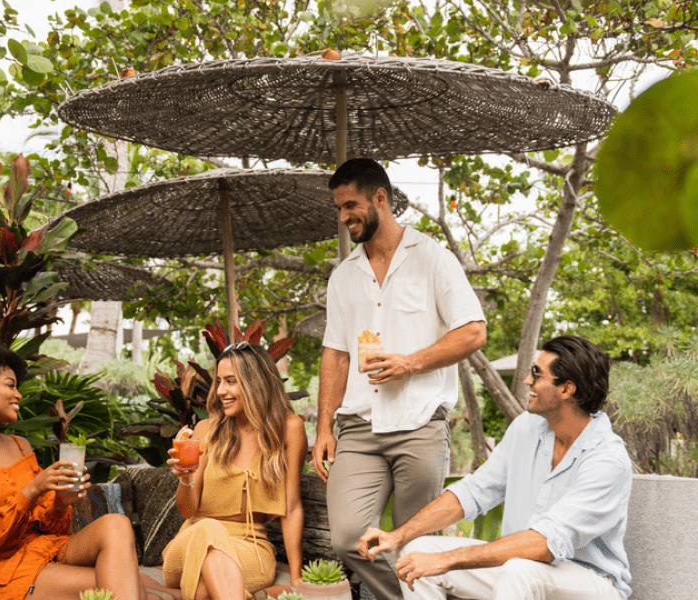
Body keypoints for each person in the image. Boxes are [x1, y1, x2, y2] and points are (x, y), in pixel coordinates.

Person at [310, 157, 487, 600]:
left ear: (381, 199)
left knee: (417, 543)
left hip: (421, 423)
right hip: (358, 427)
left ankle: (430, 583)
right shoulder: (343, 277)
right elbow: (335, 355)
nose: (344, 216)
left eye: (350, 205)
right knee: (348, 537)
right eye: (339, 208)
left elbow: (473, 331)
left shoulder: (433, 259)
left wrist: (410, 364)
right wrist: (322, 426)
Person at [358, 335, 633, 600]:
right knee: (415, 554)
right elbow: (475, 491)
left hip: (590, 581)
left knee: (516, 570)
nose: (528, 381)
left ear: (566, 389)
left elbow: (546, 543)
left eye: (537, 375)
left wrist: (447, 560)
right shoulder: (527, 428)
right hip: (518, 571)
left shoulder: (607, 460)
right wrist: (397, 536)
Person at [0, 343, 142, 600]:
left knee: (116, 524)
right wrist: (33, 489)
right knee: (124, 586)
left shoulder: (20, 446)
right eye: (10, 385)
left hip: (44, 551)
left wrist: (61, 503)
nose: (18, 395)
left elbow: (55, 530)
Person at [162, 342, 308, 600]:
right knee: (209, 528)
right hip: (189, 543)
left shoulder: (289, 428)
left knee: (205, 590)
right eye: (219, 381)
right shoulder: (206, 430)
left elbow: (292, 507)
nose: (220, 391)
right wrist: (186, 481)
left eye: (230, 381)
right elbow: (187, 511)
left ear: (256, 383)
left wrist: (296, 576)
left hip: (251, 548)